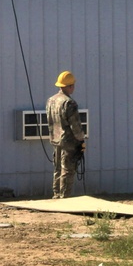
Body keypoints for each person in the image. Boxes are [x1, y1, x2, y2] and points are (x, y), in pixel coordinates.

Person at [46, 70, 86, 199]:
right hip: (68, 142)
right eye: (72, 85)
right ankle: (65, 197)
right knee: (67, 170)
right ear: (69, 86)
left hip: (55, 139)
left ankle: (56, 194)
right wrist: (81, 140)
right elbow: (75, 125)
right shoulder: (69, 103)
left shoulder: (51, 101)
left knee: (57, 168)